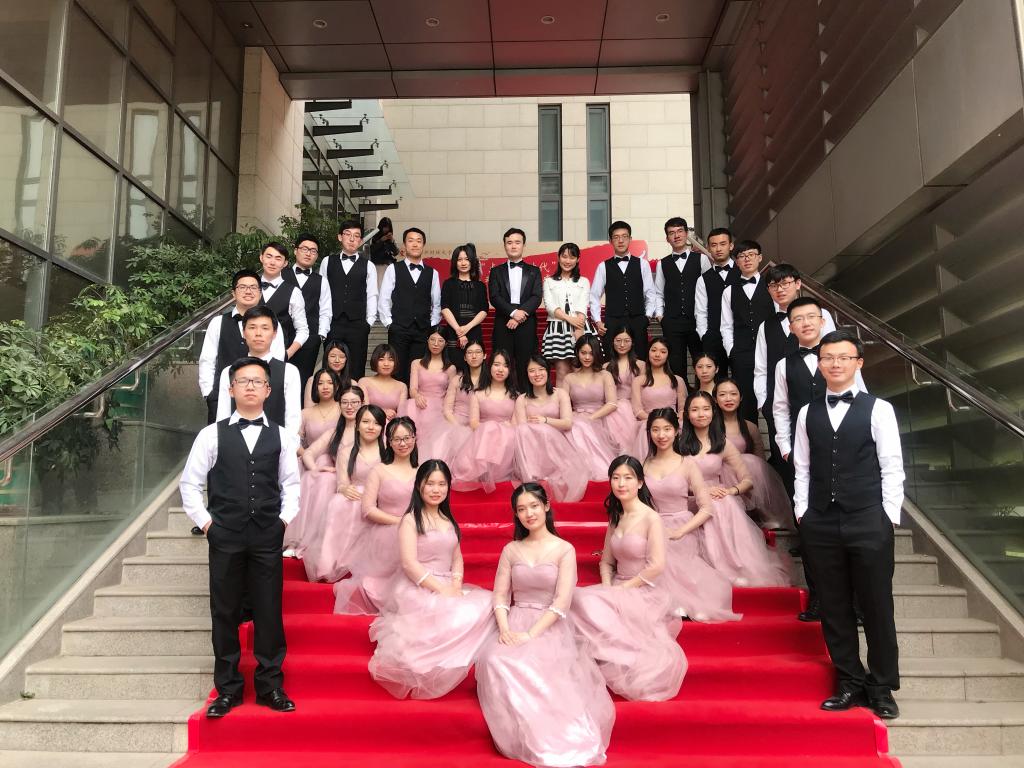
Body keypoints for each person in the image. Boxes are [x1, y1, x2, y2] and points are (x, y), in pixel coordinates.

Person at [179, 357, 299, 718]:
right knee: (225, 611)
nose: (250, 386)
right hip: (225, 534)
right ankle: (228, 689)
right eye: (243, 381)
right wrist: (207, 525)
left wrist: (282, 521)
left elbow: (291, 485)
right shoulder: (211, 435)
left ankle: (270, 686)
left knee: (268, 610)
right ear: (230, 389)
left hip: (266, 535)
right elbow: (190, 484)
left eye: (257, 381)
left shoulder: (282, 435)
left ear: (268, 390)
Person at [793, 329, 903, 720]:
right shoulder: (806, 413)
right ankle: (849, 681)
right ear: (819, 363)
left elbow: (892, 466)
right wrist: (803, 512)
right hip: (821, 521)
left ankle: (882, 686)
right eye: (828, 357)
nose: (835, 364)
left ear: (858, 363)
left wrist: (887, 516)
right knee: (834, 606)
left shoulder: (879, 409)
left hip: (868, 519)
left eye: (843, 357)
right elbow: (802, 467)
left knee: (876, 605)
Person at [475, 483, 614, 767]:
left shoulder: (564, 549)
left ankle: (555, 737)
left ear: (546, 506)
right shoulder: (512, 549)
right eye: (521, 509)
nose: (529, 513)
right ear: (516, 514)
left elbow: (562, 601)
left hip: (549, 624)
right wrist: (505, 629)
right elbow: (500, 595)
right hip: (515, 620)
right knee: (495, 660)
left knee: (538, 665)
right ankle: (522, 732)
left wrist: (530, 635)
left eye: (534, 506)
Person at [772, 297, 867, 621]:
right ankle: (819, 599)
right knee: (812, 531)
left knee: (850, 528)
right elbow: (780, 408)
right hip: (805, 455)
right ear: (790, 327)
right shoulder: (784, 365)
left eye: (811, 317)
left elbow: (861, 399)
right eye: (798, 319)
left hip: (846, 454)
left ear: (823, 321)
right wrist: (785, 446)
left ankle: (856, 602)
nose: (806, 323)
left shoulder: (841, 359)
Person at [368, 460, 494, 699]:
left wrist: (455, 583)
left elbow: (457, 557)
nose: (436, 489)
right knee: (445, 612)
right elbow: (409, 564)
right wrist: (440, 589)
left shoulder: (448, 519)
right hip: (419, 585)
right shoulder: (410, 519)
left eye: (442, 484)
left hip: (448, 583)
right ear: (419, 486)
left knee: (489, 603)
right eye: (430, 484)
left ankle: (464, 653)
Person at [571, 455, 686, 701]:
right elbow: (606, 561)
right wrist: (607, 588)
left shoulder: (651, 518)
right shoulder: (617, 517)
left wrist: (622, 590)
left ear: (640, 483)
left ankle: (625, 656)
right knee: (577, 599)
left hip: (643, 589)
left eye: (628, 478)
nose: (621, 483)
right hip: (616, 586)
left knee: (585, 601)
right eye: (616, 478)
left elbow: (656, 566)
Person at [679, 391, 790, 587]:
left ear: (713, 412)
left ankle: (726, 566)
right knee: (713, 503)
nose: (701, 414)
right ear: (687, 414)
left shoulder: (722, 444)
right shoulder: (677, 445)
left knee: (721, 503)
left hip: (718, 499)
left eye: (706, 409)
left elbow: (747, 480)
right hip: (688, 498)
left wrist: (731, 491)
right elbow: (671, 479)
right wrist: (701, 491)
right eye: (695, 409)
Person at [643, 409, 740, 622]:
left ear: (676, 431)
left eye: (667, 429)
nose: (661, 435)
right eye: (656, 430)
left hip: (683, 526)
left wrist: (680, 531)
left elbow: (706, 508)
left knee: (672, 553)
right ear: (649, 432)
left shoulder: (687, 464)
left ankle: (681, 602)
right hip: (654, 526)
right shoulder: (644, 465)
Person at [754, 264, 837, 481]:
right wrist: (764, 403)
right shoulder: (765, 326)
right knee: (787, 465)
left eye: (785, 283)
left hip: (821, 399)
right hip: (779, 405)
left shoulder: (822, 316)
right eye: (774, 285)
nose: (780, 289)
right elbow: (761, 368)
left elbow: (837, 355)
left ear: (798, 284)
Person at [334, 416, 420, 615]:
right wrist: (401, 522)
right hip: (388, 531)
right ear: (389, 442)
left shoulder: (421, 470)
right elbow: (368, 509)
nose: (403, 444)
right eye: (397, 439)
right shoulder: (380, 470)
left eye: (407, 438)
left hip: (417, 530)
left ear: (415, 438)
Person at [302, 404, 385, 583]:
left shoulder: (387, 452)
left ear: (382, 427)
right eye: (366, 422)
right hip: (354, 493)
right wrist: (344, 489)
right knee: (339, 503)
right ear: (357, 425)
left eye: (376, 423)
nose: (371, 427)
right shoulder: (346, 451)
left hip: (380, 497)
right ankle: (331, 564)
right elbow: (341, 483)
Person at [285, 385, 364, 558]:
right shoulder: (334, 433)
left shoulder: (370, 430)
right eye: (345, 402)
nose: (349, 406)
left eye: (354, 402)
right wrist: (316, 468)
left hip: (363, 481)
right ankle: (306, 540)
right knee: (322, 479)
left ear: (362, 404)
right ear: (339, 405)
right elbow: (308, 454)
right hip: (341, 481)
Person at [714, 378, 794, 532]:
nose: (728, 398)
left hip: (745, 478)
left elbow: (760, 461)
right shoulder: (710, 427)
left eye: (733, 394)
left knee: (751, 462)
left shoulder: (750, 427)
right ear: (715, 399)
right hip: (717, 477)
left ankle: (757, 513)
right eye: (722, 394)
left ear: (741, 397)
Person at [214, 307, 301, 435]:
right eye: (252, 327)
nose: (258, 333)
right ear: (244, 332)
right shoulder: (228, 372)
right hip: (235, 442)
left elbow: (293, 419)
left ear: (274, 333)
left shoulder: (289, 372)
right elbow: (222, 416)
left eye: (265, 328)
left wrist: (285, 445)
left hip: (276, 443)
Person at [512, 354, 587, 503]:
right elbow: (521, 430)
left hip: (558, 445)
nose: (537, 374)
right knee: (522, 430)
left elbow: (567, 423)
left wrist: (545, 421)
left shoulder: (560, 394)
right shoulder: (522, 399)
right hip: (534, 448)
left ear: (547, 371)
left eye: (541, 369)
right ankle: (531, 475)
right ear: (526, 374)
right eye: (532, 371)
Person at [197, 269, 262, 424]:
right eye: (242, 287)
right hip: (221, 396)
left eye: (253, 287)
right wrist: (209, 394)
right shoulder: (217, 322)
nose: (248, 291)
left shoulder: (271, 325)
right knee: (220, 438)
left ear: (260, 293)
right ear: (233, 293)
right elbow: (207, 360)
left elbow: (276, 359)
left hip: (258, 397)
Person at [379, 227, 441, 384]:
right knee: (397, 372)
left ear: (423, 245)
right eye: (411, 240)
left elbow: (437, 303)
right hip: (398, 328)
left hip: (422, 330)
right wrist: (389, 324)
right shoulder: (393, 269)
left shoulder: (432, 273)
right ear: (404, 245)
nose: (415, 244)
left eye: (419, 241)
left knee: (418, 373)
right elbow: (384, 299)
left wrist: (431, 324)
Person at [450, 350, 519, 493]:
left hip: (508, 440)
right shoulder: (478, 393)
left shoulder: (516, 396)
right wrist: (493, 429)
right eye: (496, 364)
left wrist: (501, 431)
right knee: (489, 428)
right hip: (483, 436)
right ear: (490, 366)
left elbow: (515, 424)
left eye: (505, 366)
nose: (500, 369)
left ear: (510, 370)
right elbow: (474, 423)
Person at [318, 220, 378, 380]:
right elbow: (322, 293)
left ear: (361, 240)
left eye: (356, 236)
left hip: (358, 324)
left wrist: (368, 322)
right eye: (348, 234)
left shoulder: (369, 266)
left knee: (356, 366)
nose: (352, 239)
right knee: (330, 367)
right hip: (333, 322)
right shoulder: (327, 261)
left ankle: (354, 395)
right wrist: (323, 322)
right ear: (340, 237)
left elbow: (372, 295)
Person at [720, 240, 773, 423]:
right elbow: (726, 325)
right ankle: (749, 440)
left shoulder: (771, 287)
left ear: (760, 257)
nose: (747, 259)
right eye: (742, 256)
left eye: (751, 255)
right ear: (736, 262)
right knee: (745, 404)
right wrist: (732, 351)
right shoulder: (729, 291)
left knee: (773, 400)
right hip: (742, 353)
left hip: (769, 350)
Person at [653, 217, 712, 379]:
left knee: (701, 362)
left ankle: (702, 393)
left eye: (680, 231)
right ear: (667, 238)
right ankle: (681, 394)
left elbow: (710, 289)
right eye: (671, 233)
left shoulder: (702, 259)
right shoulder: (662, 263)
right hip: (672, 322)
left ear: (686, 234)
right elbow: (658, 292)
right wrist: (660, 316)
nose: (676, 236)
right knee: (676, 365)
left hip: (697, 320)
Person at [590, 220, 656, 359]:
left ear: (630, 239)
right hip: (612, 321)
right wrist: (598, 321)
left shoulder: (642, 264)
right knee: (611, 361)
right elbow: (594, 296)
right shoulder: (603, 266)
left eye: (624, 236)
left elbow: (650, 293)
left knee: (640, 359)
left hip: (638, 320)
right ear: (610, 241)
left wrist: (647, 317)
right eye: (616, 237)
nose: (620, 240)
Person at [488, 227, 543, 384]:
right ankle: (503, 396)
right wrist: (513, 313)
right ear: (504, 245)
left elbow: (536, 297)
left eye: (517, 242)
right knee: (502, 363)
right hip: (503, 323)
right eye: (509, 242)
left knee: (526, 363)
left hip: (526, 324)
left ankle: (526, 396)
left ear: (523, 245)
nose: (513, 246)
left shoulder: (534, 271)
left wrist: (520, 314)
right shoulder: (496, 271)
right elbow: (494, 297)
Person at [563, 334, 618, 481]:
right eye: (583, 353)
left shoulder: (604, 375)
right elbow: (563, 405)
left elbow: (612, 403)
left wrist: (590, 418)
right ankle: (581, 468)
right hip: (576, 417)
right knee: (576, 426)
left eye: (591, 353)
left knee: (581, 425)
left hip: (600, 417)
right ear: (577, 352)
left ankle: (597, 468)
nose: (587, 357)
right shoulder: (569, 378)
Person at [541, 242, 593, 382]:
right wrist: (571, 319)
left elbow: (583, 305)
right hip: (558, 330)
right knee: (562, 371)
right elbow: (550, 307)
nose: (567, 261)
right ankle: (562, 397)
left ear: (577, 259)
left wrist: (579, 329)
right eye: (564, 257)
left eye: (572, 257)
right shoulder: (549, 281)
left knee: (579, 370)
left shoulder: (584, 281)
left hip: (580, 327)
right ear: (558, 258)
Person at [630, 337, 687, 458]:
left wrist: (670, 420)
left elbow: (682, 409)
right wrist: (656, 421)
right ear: (648, 352)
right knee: (647, 428)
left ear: (668, 355)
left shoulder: (677, 380)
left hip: (672, 422)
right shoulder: (639, 381)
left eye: (663, 351)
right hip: (647, 422)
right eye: (654, 350)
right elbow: (638, 410)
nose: (657, 354)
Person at [281, 234, 324, 391]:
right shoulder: (280, 275)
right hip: (281, 338)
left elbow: (325, 310)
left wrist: (320, 336)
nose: (308, 253)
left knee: (303, 383)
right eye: (305, 249)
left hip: (309, 340)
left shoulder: (321, 280)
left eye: (313, 251)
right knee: (278, 381)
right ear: (295, 251)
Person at [405, 328, 456, 461]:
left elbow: (452, 394)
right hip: (419, 403)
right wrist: (417, 396)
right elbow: (412, 389)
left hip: (440, 406)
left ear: (445, 343)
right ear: (427, 341)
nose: (436, 344)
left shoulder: (450, 368)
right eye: (432, 340)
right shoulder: (417, 363)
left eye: (440, 341)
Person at [433, 340, 485, 466]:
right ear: (465, 357)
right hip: (455, 422)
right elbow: (447, 409)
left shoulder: (490, 381)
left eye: (478, 352)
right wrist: (458, 428)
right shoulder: (457, 380)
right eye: (470, 353)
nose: (474, 356)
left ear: (484, 355)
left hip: (480, 424)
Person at [257, 241, 309, 364]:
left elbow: (303, 330)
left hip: (279, 358)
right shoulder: (250, 287)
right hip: (248, 356)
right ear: (261, 258)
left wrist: (287, 353)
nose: (272, 262)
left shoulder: (294, 292)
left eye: (278, 258)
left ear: (285, 263)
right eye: (269, 256)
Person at [696, 227, 737, 377]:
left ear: (731, 246)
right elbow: (700, 311)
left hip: (740, 335)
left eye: (723, 244)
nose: (718, 249)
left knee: (742, 379)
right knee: (716, 382)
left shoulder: (743, 273)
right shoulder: (703, 279)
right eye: (714, 245)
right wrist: (704, 335)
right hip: (713, 337)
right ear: (708, 248)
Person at [439, 243, 488, 368]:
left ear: (472, 261)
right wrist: (459, 331)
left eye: (466, 259)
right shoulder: (448, 284)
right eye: (459, 259)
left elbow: (484, 310)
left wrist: (467, 327)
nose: (463, 263)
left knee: (475, 366)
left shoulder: (480, 286)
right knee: (454, 367)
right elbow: (445, 308)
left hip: (474, 331)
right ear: (455, 262)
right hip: (453, 332)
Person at [604, 326, 646, 454]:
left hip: (634, 407)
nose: (622, 345)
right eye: (618, 340)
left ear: (632, 342)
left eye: (626, 341)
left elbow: (644, 392)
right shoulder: (606, 367)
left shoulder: (640, 365)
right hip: (612, 407)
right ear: (613, 341)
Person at [297, 368, 340, 458]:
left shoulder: (344, 410)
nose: (325, 387)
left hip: (338, 461)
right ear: (315, 387)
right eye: (320, 383)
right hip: (309, 461)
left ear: (337, 386)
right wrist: (308, 457)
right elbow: (295, 442)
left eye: (330, 383)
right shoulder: (305, 414)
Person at [358, 343, 409, 421]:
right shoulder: (364, 382)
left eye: (390, 360)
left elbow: (402, 415)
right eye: (381, 359)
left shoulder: (402, 386)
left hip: (392, 425)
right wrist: (383, 412)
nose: (386, 364)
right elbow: (364, 410)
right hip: (370, 424)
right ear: (375, 361)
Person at [302, 340, 351, 408]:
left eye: (341, 357)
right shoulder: (313, 380)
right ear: (326, 358)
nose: (337, 360)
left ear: (346, 359)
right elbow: (308, 409)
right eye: (333, 356)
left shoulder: (352, 383)